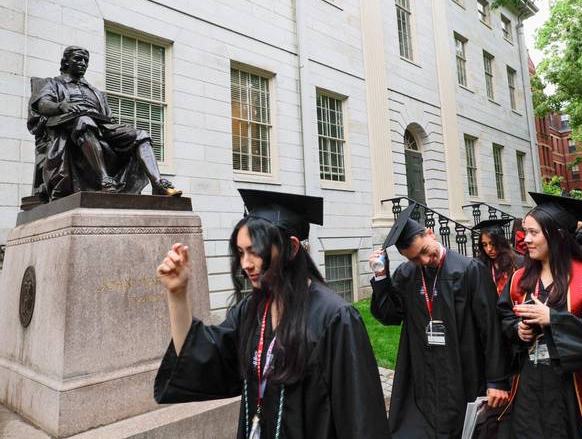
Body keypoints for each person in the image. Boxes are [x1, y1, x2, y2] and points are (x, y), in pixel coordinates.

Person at [154, 189, 390, 439]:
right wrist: (177, 294)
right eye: (241, 252)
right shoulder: (251, 310)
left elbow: (361, 420)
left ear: (292, 247)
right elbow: (203, 359)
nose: (246, 263)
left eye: (255, 250)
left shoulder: (334, 318)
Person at [369, 204, 510, 439]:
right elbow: (389, 316)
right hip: (424, 373)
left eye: (424, 251)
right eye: (415, 258)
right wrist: (381, 277)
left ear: (430, 233)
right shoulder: (407, 274)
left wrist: (497, 380)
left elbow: (491, 328)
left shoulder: (469, 270)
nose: (425, 260)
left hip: (463, 370)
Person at [497, 192, 582, 438]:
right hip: (529, 382)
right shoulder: (519, 279)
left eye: (533, 233)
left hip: (570, 387)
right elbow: (503, 317)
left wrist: (554, 320)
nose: (526, 240)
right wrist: (517, 330)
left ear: (557, 235)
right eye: (525, 232)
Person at [27, 45, 181, 201]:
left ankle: (158, 183)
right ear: (66, 62)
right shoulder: (52, 83)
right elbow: (43, 105)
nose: (83, 63)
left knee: (141, 135)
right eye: (78, 59)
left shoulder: (96, 92)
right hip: (70, 125)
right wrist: (61, 106)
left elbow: (109, 117)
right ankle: (105, 180)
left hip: (102, 126)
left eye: (86, 60)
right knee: (84, 121)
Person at [473, 219, 524, 296]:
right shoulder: (480, 264)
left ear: (501, 243)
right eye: (484, 245)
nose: (489, 249)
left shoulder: (518, 262)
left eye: (492, 244)